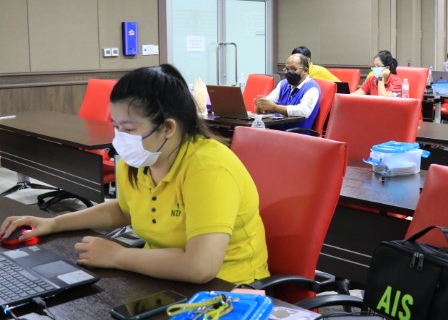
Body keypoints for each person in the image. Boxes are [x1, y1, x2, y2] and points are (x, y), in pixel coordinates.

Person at [0, 64, 270, 285]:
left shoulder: (208, 169)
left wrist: (119, 256)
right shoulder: (142, 156)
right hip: (162, 274)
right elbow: (124, 209)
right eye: (116, 127)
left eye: (129, 129)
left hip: (230, 289)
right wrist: (54, 223)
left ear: (168, 128)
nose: (121, 138)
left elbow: (200, 267)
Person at [256, 54, 320, 130]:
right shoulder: (283, 83)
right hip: (275, 131)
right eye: (287, 69)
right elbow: (270, 101)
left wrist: (275, 108)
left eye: (293, 69)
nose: (289, 73)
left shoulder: (312, 88)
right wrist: (262, 106)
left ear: (305, 70)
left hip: (297, 133)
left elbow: (304, 111)